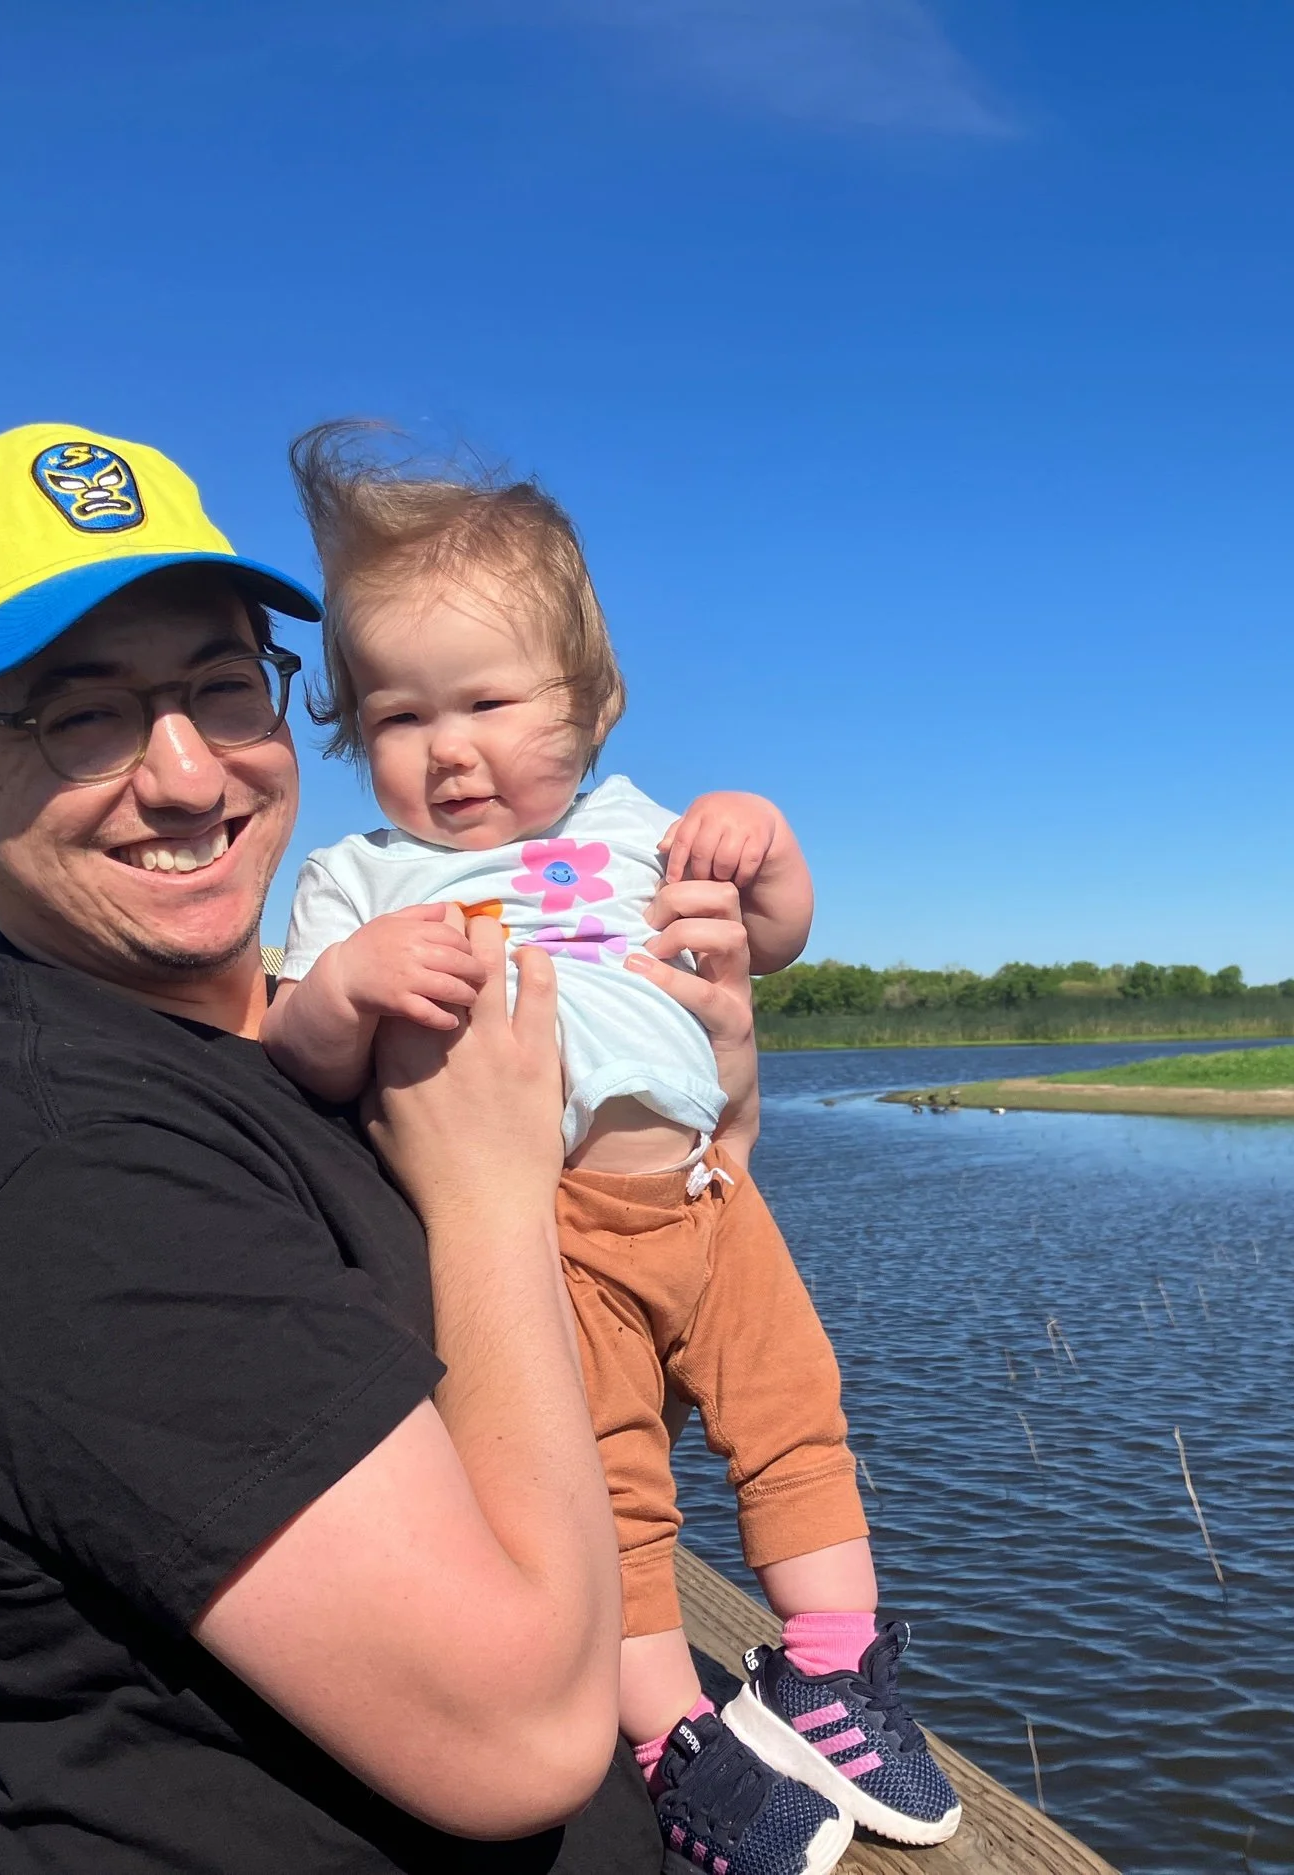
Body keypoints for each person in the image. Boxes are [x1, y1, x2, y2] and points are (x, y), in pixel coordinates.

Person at [0, 422, 757, 1873]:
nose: (189, 777)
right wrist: (488, 1192)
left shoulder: (283, 1046)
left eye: (222, 687)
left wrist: (716, 1074)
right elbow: (518, 1738)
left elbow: (600, 1367)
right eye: (82, 715)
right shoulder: (74, 1182)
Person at [258, 426, 960, 1875]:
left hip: (708, 1191)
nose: (448, 748)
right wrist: (345, 990)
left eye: (488, 700)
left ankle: (832, 1667)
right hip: (554, 1229)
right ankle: (669, 1735)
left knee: (798, 1416)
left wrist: (767, 845)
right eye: (398, 715)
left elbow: (773, 936)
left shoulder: (635, 822)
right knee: (611, 1482)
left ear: (590, 705)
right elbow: (300, 1051)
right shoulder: (360, 878)